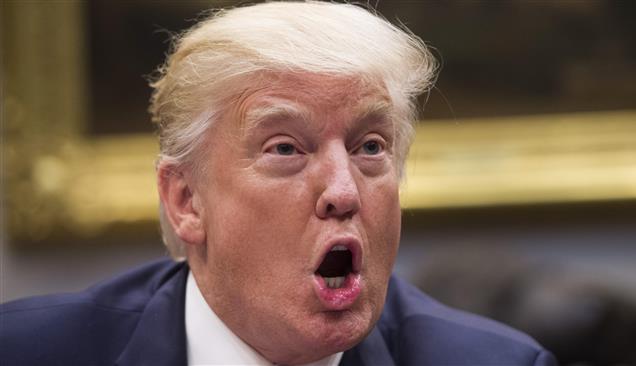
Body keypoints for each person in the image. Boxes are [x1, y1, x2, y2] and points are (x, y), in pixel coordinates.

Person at [1, 2, 557, 365]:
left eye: (370, 147)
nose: (343, 191)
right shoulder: (29, 351)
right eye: (286, 149)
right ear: (185, 200)